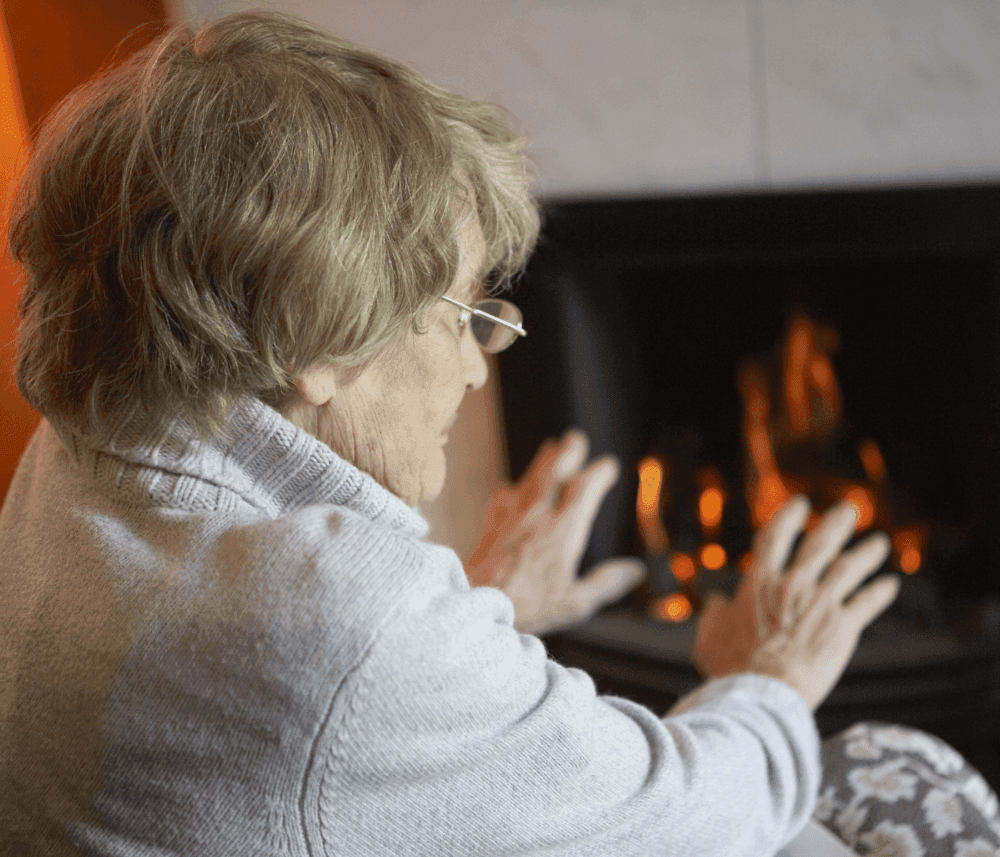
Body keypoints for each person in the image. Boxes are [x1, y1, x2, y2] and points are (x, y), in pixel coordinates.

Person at [0, 9, 997, 856]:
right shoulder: (337, 614)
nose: (481, 363)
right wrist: (764, 671)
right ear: (315, 343)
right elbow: (685, 820)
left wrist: (482, 607)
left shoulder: (78, 453)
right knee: (914, 779)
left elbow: (297, 743)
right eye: (463, 313)